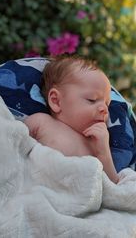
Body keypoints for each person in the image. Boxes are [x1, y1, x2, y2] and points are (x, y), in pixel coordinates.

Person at [25, 55, 119, 184]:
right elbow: (10, 145)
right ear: (56, 101)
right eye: (92, 99)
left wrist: (104, 153)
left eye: (107, 104)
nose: (104, 109)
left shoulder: (96, 144)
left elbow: (113, 187)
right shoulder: (41, 123)